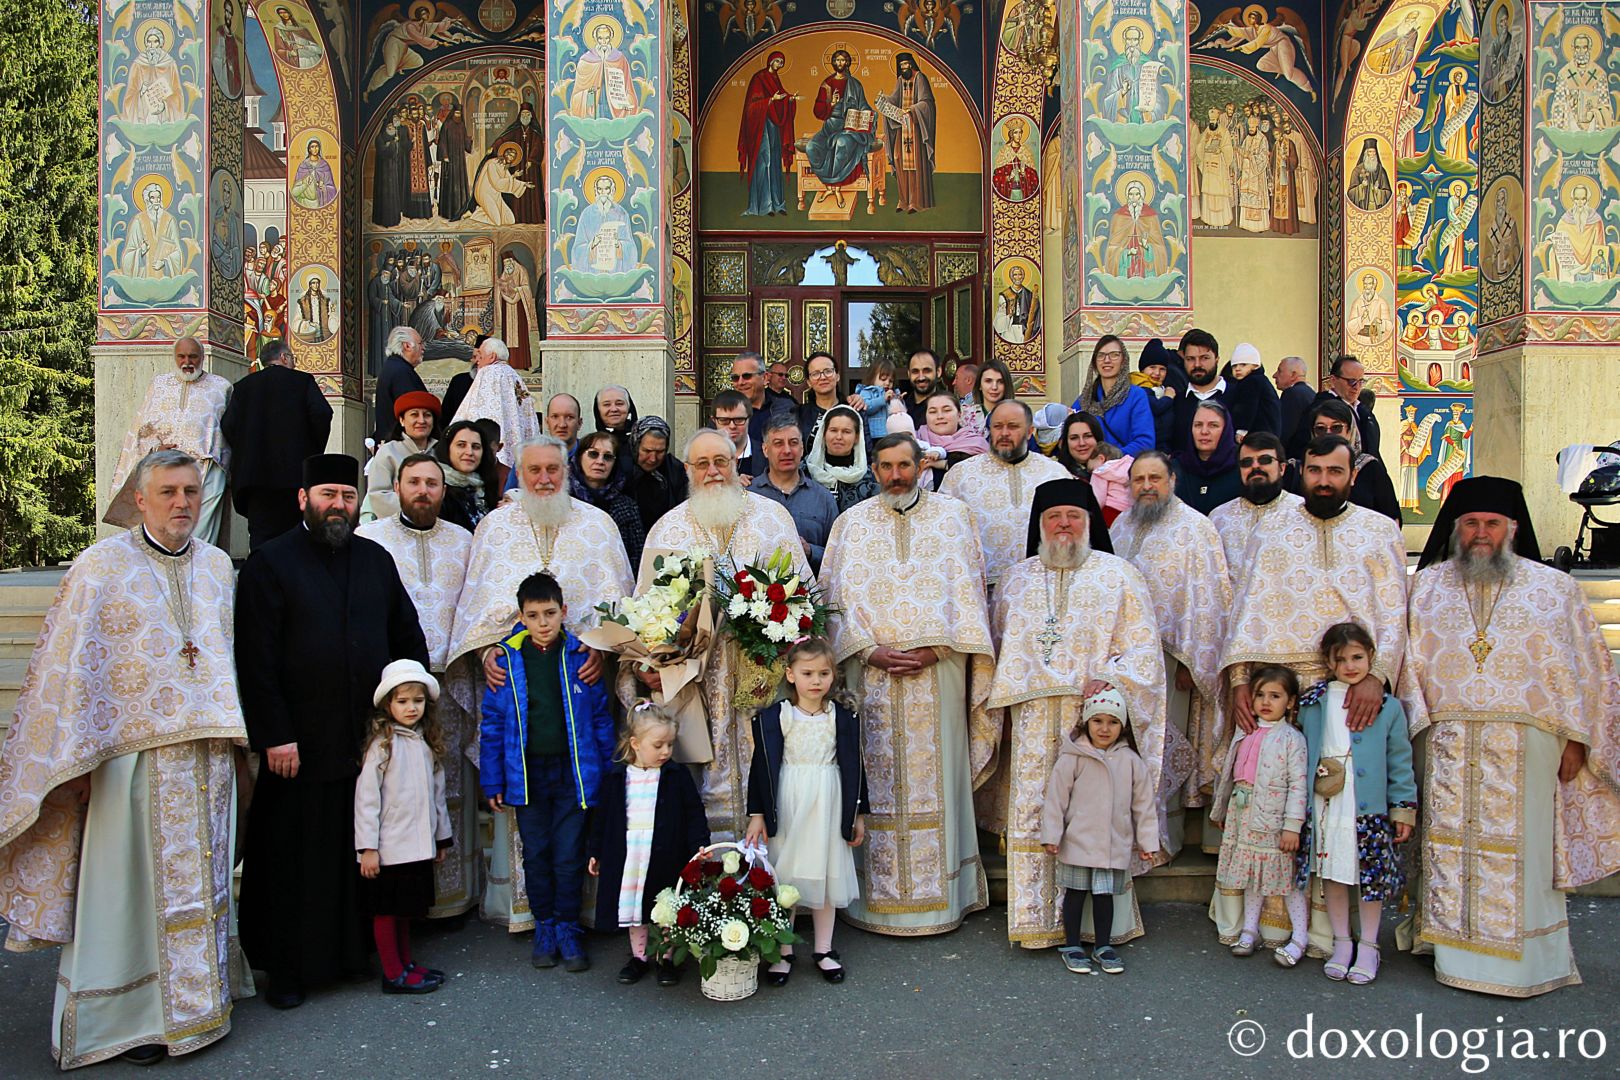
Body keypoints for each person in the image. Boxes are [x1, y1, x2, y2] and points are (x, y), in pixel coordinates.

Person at [0, 450, 248, 1068]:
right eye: (167, 491)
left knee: (204, 886)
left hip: (206, 757)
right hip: (125, 764)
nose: (182, 503)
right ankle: (133, 1022)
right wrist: (72, 763)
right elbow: (65, 671)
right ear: (139, 499)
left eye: (190, 490)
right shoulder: (98, 567)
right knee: (126, 894)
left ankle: (200, 1006)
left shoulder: (219, 566)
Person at [1400, 477, 1620, 997]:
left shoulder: (1555, 588)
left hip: (1532, 744)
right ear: (1454, 529)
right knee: (1448, 847)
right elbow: (1405, 661)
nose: (1481, 534)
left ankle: (1526, 963)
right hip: (1446, 739)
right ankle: (1449, 949)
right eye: (1470, 524)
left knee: (1527, 854)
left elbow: (1589, 670)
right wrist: (1416, 727)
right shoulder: (1425, 586)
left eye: (1492, 524)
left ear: (1513, 528)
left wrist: (1579, 739)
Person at [236, 453, 430, 1009]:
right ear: (304, 500)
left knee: (355, 855)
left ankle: (348, 956)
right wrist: (274, 734)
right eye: (327, 495)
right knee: (293, 858)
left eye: (347, 496)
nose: (338, 506)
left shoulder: (374, 560)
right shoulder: (270, 563)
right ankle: (288, 968)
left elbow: (406, 639)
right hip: (297, 745)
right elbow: (256, 659)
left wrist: (406, 711)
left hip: (366, 742)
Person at [452, 437, 632, 933]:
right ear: (521, 473)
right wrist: (490, 650)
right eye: (534, 470)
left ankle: (580, 912)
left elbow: (618, 605)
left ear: (567, 470)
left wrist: (602, 648)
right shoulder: (493, 527)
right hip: (519, 700)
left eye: (553, 469)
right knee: (530, 821)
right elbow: (477, 605)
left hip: (580, 690)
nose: (544, 479)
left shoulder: (598, 525)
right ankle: (534, 913)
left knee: (578, 812)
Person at [820, 433, 994, 935]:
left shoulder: (954, 517)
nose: (896, 475)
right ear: (872, 469)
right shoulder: (849, 525)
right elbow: (833, 601)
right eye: (886, 466)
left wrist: (936, 649)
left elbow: (969, 593)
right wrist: (868, 649)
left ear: (922, 466)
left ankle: (945, 899)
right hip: (867, 677)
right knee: (871, 777)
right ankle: (869, 899)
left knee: (937, 779)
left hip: (937, 676)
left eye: (904, 465)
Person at [986, 479, 1165, 948]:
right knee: (1034, 816)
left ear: (1089, 523)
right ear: (1039, 525)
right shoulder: (1015, 578)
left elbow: (1144, 651)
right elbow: (998, 649)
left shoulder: (1120, 575)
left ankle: (1098, 926)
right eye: (1053, 517)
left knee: (1095, 818)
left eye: (1073, 516)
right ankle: (1037, 923)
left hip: (1095, 722)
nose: (1063, 525)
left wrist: (1112, 680)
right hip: (1030, 721)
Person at [624, 429, 811, 840]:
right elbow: (646, 613)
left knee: (769, 768)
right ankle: (701, 871)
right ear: (688, 470)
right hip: (695, 686)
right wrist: (648, 664)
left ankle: (768, 874)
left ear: (736, 463)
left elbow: (803, 598)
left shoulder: (773, 518)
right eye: (702, 464)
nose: (712, 471)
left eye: (721, 462)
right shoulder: (667, 528)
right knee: (696, 775)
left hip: (762, 677)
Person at [355, 455, 477, 918]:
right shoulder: (372, 540)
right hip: (396, 690)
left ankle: (450, 898)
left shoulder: (464, 540)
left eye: (432, 483)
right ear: (398, 487)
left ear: (444, 491)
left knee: (449, 784)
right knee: (396, 792)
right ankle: (401, 905)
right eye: (415, 482)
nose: (423, 490)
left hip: (451, 679)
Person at [479, 572, 615, 972]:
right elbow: (491, 724)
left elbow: (601, 719)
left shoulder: (580, 657)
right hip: (527, 775)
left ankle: (570, 928)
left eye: (550, 613)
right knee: (536, 854)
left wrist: (606, 772)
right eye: (534, 615)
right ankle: (546, 926)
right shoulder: (507, 661)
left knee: (570, 854)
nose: (542, 623)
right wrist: (492, 779)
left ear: (564, 612)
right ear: (520, 617)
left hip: (573, 773)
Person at [1295, 623, 1416, 986]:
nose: (1350, 665)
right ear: (1328, 662)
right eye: (1341, 659)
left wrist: (1402, 807)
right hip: (1326, 803)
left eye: (1358, 657)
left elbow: (1399, 759)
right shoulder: (1312, 702)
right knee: (1332, 875)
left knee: (1369, 878)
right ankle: (1341, 943)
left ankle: (1369, 946)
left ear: (1371, 658)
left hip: (1366, 806)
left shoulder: (1388, 706)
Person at [745, 637, 870, 984]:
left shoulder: (842, 717)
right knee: (787, 873)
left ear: (834, 676)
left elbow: (854, 766)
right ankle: (783, 951)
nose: (816, 681)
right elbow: (761, 767)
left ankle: (824, 948)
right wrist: (756, 813)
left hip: (829, 801)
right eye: (808, 673)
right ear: (790, 675)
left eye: (824, 673)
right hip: (789, 800)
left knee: (824, 873)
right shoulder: (777, 716)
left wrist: (857, 813)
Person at [588, 703, 710, 986]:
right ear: (635, 743)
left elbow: (693, 812)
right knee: (636, 908)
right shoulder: (618, 777)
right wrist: (595, 851)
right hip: (629, 853)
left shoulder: (675, 776)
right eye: (658, 745)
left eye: (669, 744)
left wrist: (700, 844)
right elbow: (603, 817)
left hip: (665, 852)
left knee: (664, 906)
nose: (666, 752)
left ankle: (667, 957)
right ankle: (640, 956)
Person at [1041, 686, 1160, 975]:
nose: (1105, 729)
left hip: (1111, 843)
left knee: (1104, 896)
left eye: (1113, 722)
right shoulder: (1073, 758)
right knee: (1076, 893)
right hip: (1078, 841)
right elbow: (1056, 800)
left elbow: (1143, 805)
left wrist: (1148, 842)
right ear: (1086, 722)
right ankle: (1072, 945)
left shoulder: (1130, 761)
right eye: (1098, 721)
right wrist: (1052, 835)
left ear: (1122, 726)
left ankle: (1103, 945)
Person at [356, 660, 453, 995]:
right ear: (388, 704)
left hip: (418, 846)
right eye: (402, 701)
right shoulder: (381, 747)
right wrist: (367, 848)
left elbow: (437, 795)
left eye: (418, 701)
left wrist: (441, 838)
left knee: (406, 910)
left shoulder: (427, 744)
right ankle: (393, 972)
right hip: (389, 848)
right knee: (387, 911)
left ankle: (407, 963)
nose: (411, 708)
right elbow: (366, 801)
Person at [1211, 665, 1310, 966]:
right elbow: (1231, 773)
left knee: (1284, 881)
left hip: (1273, 820)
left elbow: (1298, 784)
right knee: (1252, 876)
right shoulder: (1246, 731)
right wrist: (1222, 807)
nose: (1266, 702)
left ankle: (1300, 937)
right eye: (1260, 695)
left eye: (1275, 696)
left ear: (1290, 702)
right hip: (1243, 814)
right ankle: (1249, 929)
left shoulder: (1291, 738)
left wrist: (1292, 826)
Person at [104, 337, 233, 545]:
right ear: (174, 357)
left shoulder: (221, 387)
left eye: (193, 356)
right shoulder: (159, 384)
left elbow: (231, 429)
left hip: (208, 467)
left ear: (202, 357)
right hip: (167, 467)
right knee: (169, 528)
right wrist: (155, 448)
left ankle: (199, 573)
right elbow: (142, 427)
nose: (187, 362)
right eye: (181, 356)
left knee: (201, 534)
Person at [939, 400, 1070, 593]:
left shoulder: (1054, 474)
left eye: (1013, 426)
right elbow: (944, 533)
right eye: (998, 426)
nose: (1004, 433)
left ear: (1029, 431)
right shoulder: (961, 476)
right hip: (982, 589)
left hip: (1041, 588)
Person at [222, 338, 333, 549]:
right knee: (294, 537)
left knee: (260, 537)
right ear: (284, 357)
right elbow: (322, 413)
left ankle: (260, 578)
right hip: (294, 477)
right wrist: (311, 451)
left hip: (254, 479)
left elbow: (228, 425)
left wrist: (247, 450)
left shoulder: (244, 386)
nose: (294, 363)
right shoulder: (302, 382)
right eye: (292, 358)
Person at [1210, 431, 1300, 588]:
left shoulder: (1302, 512)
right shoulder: (1219, 519)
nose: (1255, 467)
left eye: (1265, 460)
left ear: (1282, 468)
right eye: (1246, 462)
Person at [1291, 399, 1401, 523]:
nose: (1328, 434)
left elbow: (1391, 518)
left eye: (1336, 428)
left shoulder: (1370, 468)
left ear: (1349, 431)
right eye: (1320, 429)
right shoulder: (1299, 469)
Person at [753, 416, 839, 573]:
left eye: (793, 443)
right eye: (778, 443)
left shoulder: (823, 498)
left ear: (802, 449)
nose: (787, 450)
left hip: (812, 593)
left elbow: (838, 555)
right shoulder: (749, 494)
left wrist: (810, 551)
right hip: (756, 594)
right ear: (765, 450)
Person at [452, 337, 539, 471]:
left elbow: (476, 409)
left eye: (480, 356)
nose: (477, 361)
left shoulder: (487, 373)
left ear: (492, 356)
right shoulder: (515, 375)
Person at [570, 430, 647, 569]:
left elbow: (637, 556)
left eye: (608, 457)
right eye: (593, 454)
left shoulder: (627, 507)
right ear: (580, 457)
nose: (600, 461)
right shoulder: (564, 501)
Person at [363, 389, 440, 522]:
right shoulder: (388, 452)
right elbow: (378, 495)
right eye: (414, 415)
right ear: (402, 420)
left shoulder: (442, 452)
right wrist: (417, 510)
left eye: (427, 415)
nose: (421, 420)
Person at [1287, 355, 1380, 461]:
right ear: (1333, 380)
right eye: (1352, 382)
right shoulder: (1322, 408)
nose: (1357, 387)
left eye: (1361, 382)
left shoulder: (1362, 410)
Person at [1073, 336, 1155, 456]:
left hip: (1126, 469)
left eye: (1114, 355)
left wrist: (1112, 456)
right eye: (1101, 355)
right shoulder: (1086, 399)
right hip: (1092, 469)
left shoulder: (1136, 396)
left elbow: (1145, 442)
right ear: (1095, 363)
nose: (1107, 360)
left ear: (1124, 361)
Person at [805, 404, 879, 513]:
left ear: (857, 437)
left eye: (846, 432)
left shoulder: (869, 477)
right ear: (823, 434)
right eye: (833, 430)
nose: (839, 437)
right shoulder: (804, 472)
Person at [1175, 401, 1242, 515]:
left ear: (1226, 429)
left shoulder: (1242, 466)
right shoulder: (1175, 469)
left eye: (1213, 425)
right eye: (1198, 425)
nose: (1204, 431)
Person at [623, 415, 689, 531]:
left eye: (660, 451)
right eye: (647, 451)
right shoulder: (621, 469)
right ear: (635, 445)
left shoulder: (676, 471)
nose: (653, 458)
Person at [433, 419, 499, 533]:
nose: (469, 452)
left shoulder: (485, 486)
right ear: (447, 448)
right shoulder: (436, 488)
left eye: (476, 447)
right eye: (461, 445)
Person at [1170, 328, 1227, 455]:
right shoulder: (1177, 402)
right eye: (1190, 359)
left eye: (1204, 358)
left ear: (1217, 359)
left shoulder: (1238, 395)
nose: (1197, 365)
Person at [919, 390, 988, 487]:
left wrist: (943, 464)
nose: (940, 416)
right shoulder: (915, 441)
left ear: (959, 415)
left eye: (947, 410)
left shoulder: (976, 444)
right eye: (933, 412)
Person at [373, 326, 428, 446]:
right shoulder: (401, 373)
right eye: (420, 343)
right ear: (407, 346)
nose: (423, 348)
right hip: (402, 445)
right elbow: (412, 410)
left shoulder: (394, 367)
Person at [729, 353, 790, 452]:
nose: (740, 382)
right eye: (735, 378)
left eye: (747, 376)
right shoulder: (724, 413)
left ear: (765, 378)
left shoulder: (786, 407)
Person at [1220, 343, 1281, 437]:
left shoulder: (1251, 382)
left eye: (1243, 365)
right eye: (1234, 366)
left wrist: (1241, 430)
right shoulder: (1260, 380)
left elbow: (1247, 406)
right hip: (1269, 434)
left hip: (1259, 434)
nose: (1237, 369)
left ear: (1255, 366)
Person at [712, 389, 766, 480]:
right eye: (724, 420)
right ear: (714, 420)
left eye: (739, 420)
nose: (732, 426)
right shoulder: (704, 456)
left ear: (749, 419)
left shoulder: (767, 455)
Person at [797, 352, 843, 453]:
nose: (822, 377)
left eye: (828, 371)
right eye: (815, 374)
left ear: (837, 376)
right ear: (809, 382)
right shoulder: (798, 415)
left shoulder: (854, 410)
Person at [960, 359, 1013, 439]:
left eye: (1000, 382)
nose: (994, 387)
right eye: (988, 381)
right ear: (980, 385)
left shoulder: (1017, 415)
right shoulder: (964, 415)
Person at [849, 356, 896, 439]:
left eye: (891, 381)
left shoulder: (891, 393)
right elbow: (867, 407)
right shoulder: (866, 392)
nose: (887, 383)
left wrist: (899, 400)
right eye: (883, 379)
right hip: (873, 435)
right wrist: (882, 399)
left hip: (889, 434)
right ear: (872, 377)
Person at [1273, 355, 1315, 446]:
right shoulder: (1311, 393)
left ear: (1293, 375)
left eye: (1279, 371)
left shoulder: (1292, 394)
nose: (1274, 375)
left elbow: (1283, 432)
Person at [593, 384, 640, 455]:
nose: (614, 409)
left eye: (619, 403)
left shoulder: (642, 443)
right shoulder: (590, 445)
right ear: (598, 410)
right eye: (607, 404)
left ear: (629, 407)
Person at [901, 348, 941, 428]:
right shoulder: (901, 406)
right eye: (915, 371)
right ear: (909, 374)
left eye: (927, 371)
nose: (921, 377)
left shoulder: (948, 407)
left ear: (938, 372)